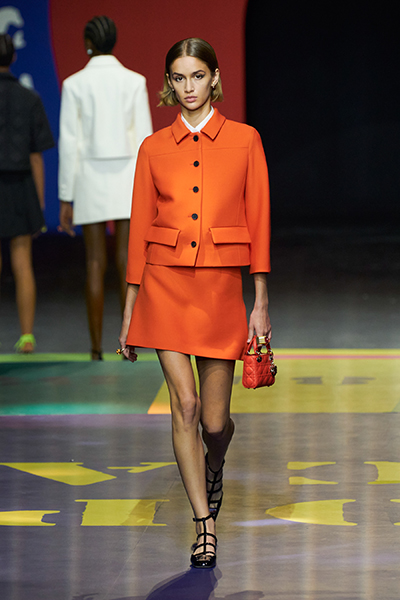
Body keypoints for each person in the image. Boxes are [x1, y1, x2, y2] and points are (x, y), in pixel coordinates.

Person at [119, 38, 271, 569]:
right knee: (182, 405)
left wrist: (260, 301)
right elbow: (139, 228)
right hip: (163, 286)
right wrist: (130, 306)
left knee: (213, 423)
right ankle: (204, 524)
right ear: (169, 82)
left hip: (220, 288)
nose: (188, 87)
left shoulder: (246, 140)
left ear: (215, 78)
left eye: (197, 76)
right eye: (179, 78)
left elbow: (259, 220)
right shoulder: (153, 148)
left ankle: (215, 463)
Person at [58, 16, 153, 360]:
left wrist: (66, 196)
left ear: (88, 43)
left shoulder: (74, 84)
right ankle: (129, 342)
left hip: (89, 178)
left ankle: (96, 348)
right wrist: (151, 189)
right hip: (127, 177)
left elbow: (69, 143)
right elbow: (145, 140)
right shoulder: (134, 81)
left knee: (95, 262)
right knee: (127, 261)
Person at [0, 34, 54, 353]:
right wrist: (39, 201)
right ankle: (28, 336)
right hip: (21, 187)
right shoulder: (29, 98)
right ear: (14, 58)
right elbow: (36, 156)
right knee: (22, 263)